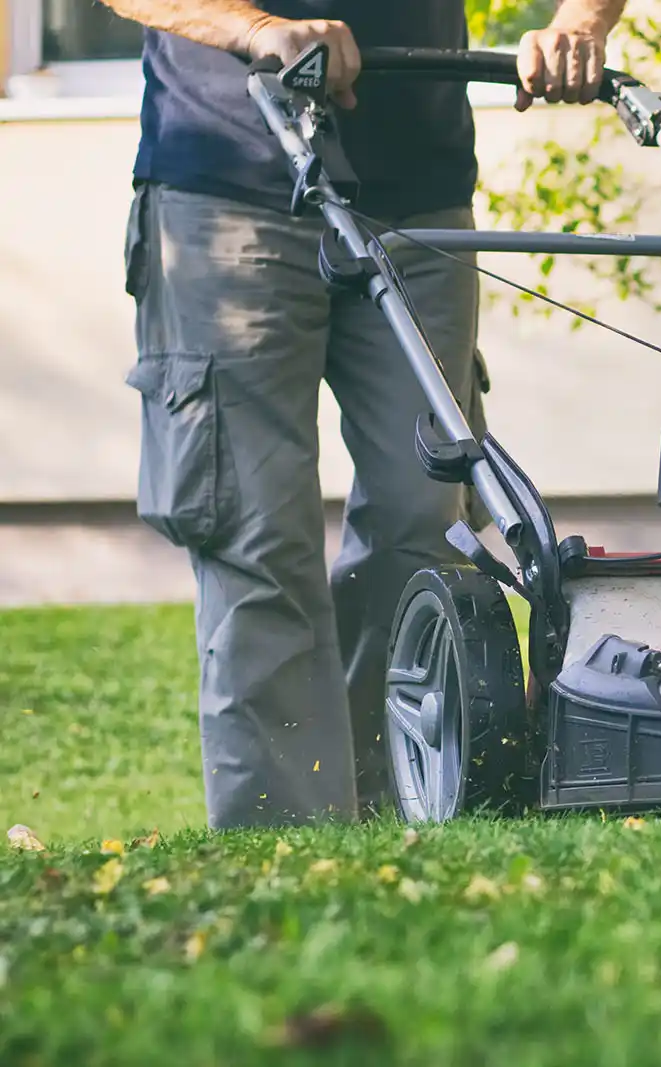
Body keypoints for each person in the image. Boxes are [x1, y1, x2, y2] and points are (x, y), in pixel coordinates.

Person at [106, 0, 627, 830]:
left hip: (417, 192)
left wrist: (580, 24)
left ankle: (396, 821)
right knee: (258, 537)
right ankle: (286, 841)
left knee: (424, 524)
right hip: (228, 183)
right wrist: (254, 29)